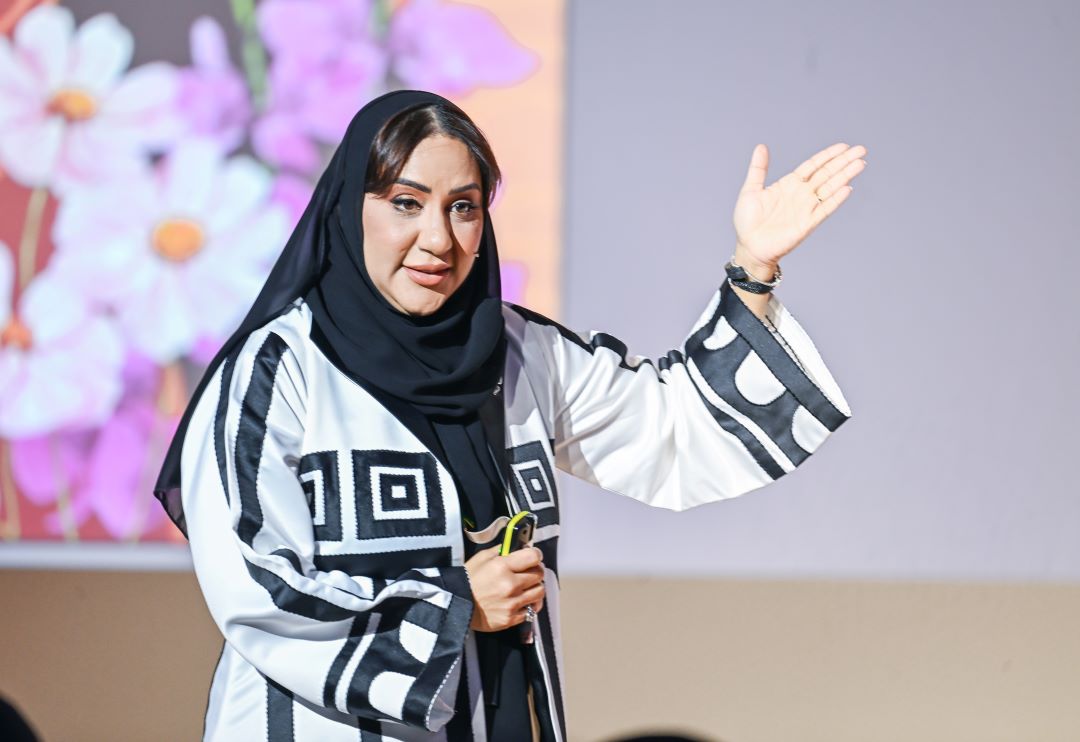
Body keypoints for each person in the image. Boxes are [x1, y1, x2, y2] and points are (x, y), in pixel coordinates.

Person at [154, 89, 865, 741]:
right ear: (350, 206)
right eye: (406, 202)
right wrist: (457, 606)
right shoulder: (280, 368)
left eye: (463, 207)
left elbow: (674, 428)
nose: (438, 237)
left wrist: (752, 268)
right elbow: (257, 585)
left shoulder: (519, 352)